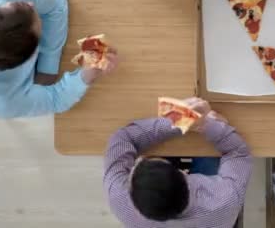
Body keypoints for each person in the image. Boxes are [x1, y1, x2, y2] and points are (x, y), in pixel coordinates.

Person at [0, 0, 118, 118]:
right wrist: (86, 73)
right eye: (38, 22)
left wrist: (48, 68)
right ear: (32, 56)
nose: (31, 3)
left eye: (17, 4)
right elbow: (57, 100)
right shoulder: (1, 101)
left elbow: (57, 1)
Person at [104, 97, 252, 228]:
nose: (138, 161)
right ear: (182, 173)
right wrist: (199, 121)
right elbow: (237, 152)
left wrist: (183, 118)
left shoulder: (121, 202)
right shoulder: (224, 201)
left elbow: (122, 139)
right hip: (211, 207)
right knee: (210, 154)